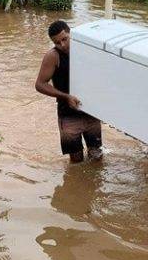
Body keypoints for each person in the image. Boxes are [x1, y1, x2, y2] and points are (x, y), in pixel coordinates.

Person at [35, 20, 103, 163]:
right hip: (68, 116)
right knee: (76, 162)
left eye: (65, 39)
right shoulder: (53, 56)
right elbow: (40, 84)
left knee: (97, 157)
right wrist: (65, 96)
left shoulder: (87, 50)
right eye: (57, 42)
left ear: (71, 33)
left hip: (91, 113)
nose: (62, 45)